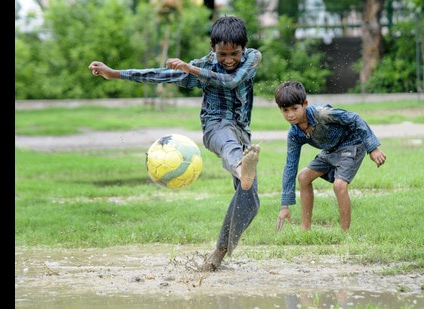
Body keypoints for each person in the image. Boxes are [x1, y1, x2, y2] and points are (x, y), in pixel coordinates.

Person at [88, 16, 262, 271]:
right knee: (229, 147)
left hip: (243, 132)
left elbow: (233, 81)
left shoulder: (252, 58)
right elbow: (162, 75)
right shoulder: (202, 65)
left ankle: (218, 253)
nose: (228, 60)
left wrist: (192, 70)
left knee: (250, 201)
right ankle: (239, 167)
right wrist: (116, 74)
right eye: (222, 54)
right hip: (216, 127)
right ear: (212, 48)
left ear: (244, 48)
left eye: (234, 53)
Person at [273, 81, 386, 232]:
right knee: (303, 177)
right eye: (285, 110)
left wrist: (373, 148)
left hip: (351, 143)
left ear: (305, 104)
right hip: (330, 149)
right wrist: (284, 205)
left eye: (294, 109)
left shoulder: (322, 114)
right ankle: (305, 229)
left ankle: (344, 233)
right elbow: (290, 166)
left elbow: (355, 118)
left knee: (339, 185)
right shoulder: (294, 134)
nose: (290, 114)